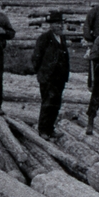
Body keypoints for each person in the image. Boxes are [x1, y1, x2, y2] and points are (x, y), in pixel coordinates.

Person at [30, 11, 70, 139]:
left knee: (56, 104)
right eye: (57, 24)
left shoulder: (61, 38)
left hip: (59, 78)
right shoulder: (44, 38)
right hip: (48, 77)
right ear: (51, 25)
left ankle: (51, 128)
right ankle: (43, 130)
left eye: (61, 23)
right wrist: (41, 73)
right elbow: (36, 57)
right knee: (47, 103)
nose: (60, 26)